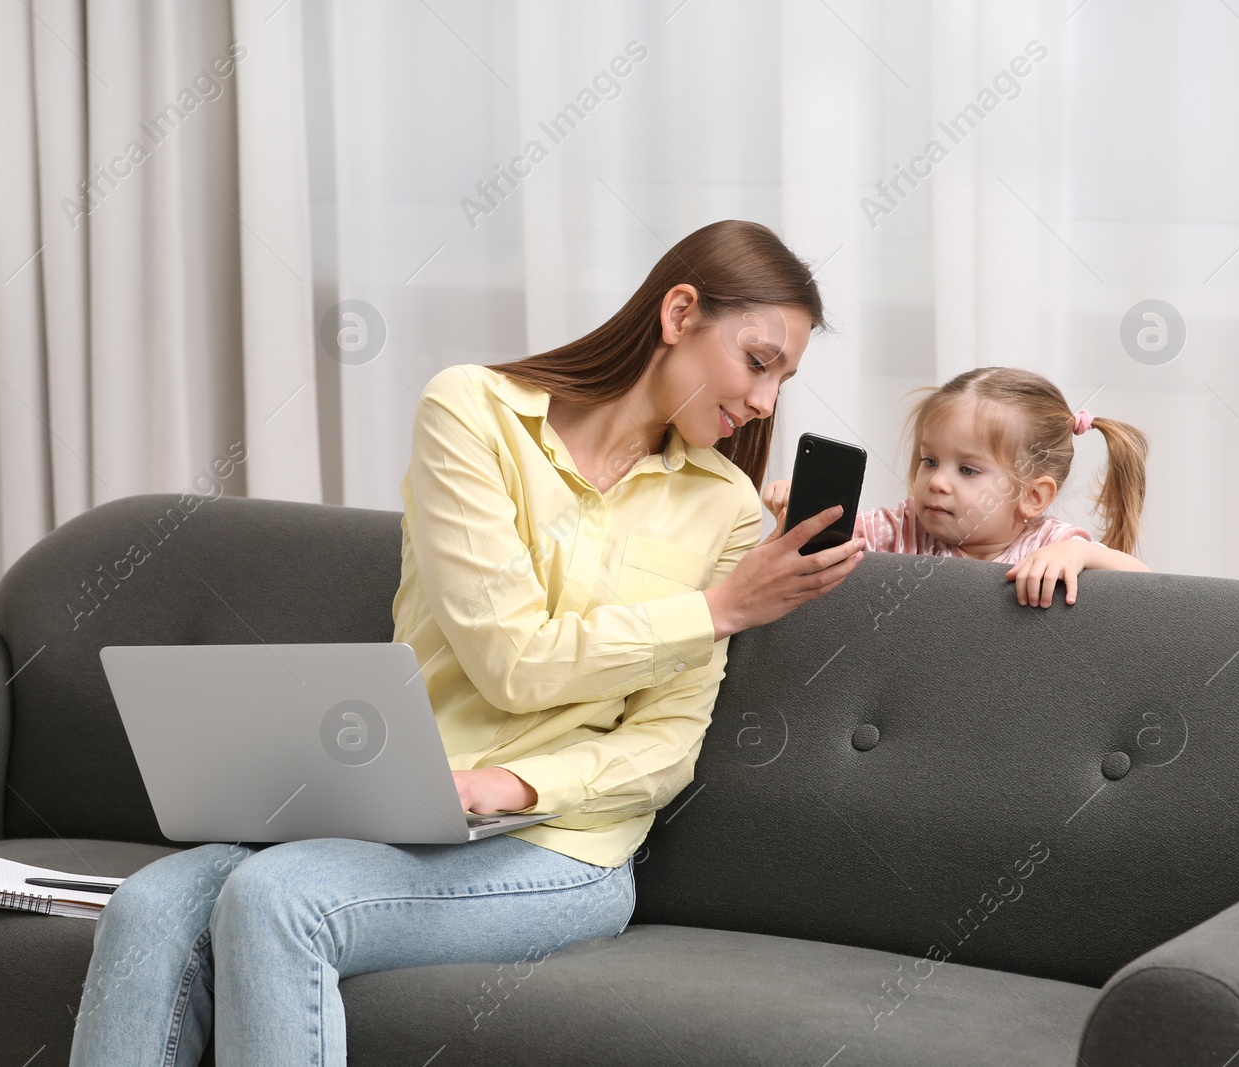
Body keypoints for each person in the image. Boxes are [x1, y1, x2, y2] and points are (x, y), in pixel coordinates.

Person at [67, 220, 866, 1066]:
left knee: (278, 898)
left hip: (562, 847)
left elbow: (664, 747)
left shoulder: (729, 511)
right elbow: (509, 657)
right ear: (679, 314)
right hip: (392, 810)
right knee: (148, 908)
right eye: (758, 360)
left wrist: (515, 785)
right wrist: (714, 609)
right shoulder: (473, 414)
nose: (765, 402)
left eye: (783, 378)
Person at [762, 366, 1151, 608]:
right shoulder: (904, 526)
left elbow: (1147, 587)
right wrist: (798, 506)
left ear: (1032, 497)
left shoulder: (1049, 545)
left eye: (967, 470)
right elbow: (827, 543)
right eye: (929, 461)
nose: (937, 481)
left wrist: (1079, 554)